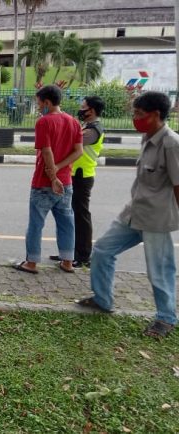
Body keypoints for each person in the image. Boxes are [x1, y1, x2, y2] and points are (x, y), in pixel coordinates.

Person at [77, 91, 179, 338]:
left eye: (138, 114)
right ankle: (103, 299)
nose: (134, 118)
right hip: (133, 212)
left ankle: (165, 318)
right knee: (102, 250)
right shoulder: (147, 137)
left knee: (160, 268)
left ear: (155, 115)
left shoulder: (171, 143)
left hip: (157, 217)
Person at [13, 85, 82, 274]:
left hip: (44, 182)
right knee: (66, 222)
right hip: (66, 182)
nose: (38, 106)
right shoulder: (73, 122)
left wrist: (53, 176)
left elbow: (46, 150)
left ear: (47, 102)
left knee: (36, 224)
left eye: (39, 103)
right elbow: (79, 151)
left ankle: (32, 262)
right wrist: (60, 169)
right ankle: (67, 261)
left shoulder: (44, 122)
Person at [50, 96, 105, 268]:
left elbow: (73, 140)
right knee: (69, 214)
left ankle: (83, 256)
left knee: (81, 216)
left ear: (92, 111)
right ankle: (68, 253)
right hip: (76, 174)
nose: (81, 109)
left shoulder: (94, 130)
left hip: (83, 176)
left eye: (83, 107)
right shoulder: (87, 126)